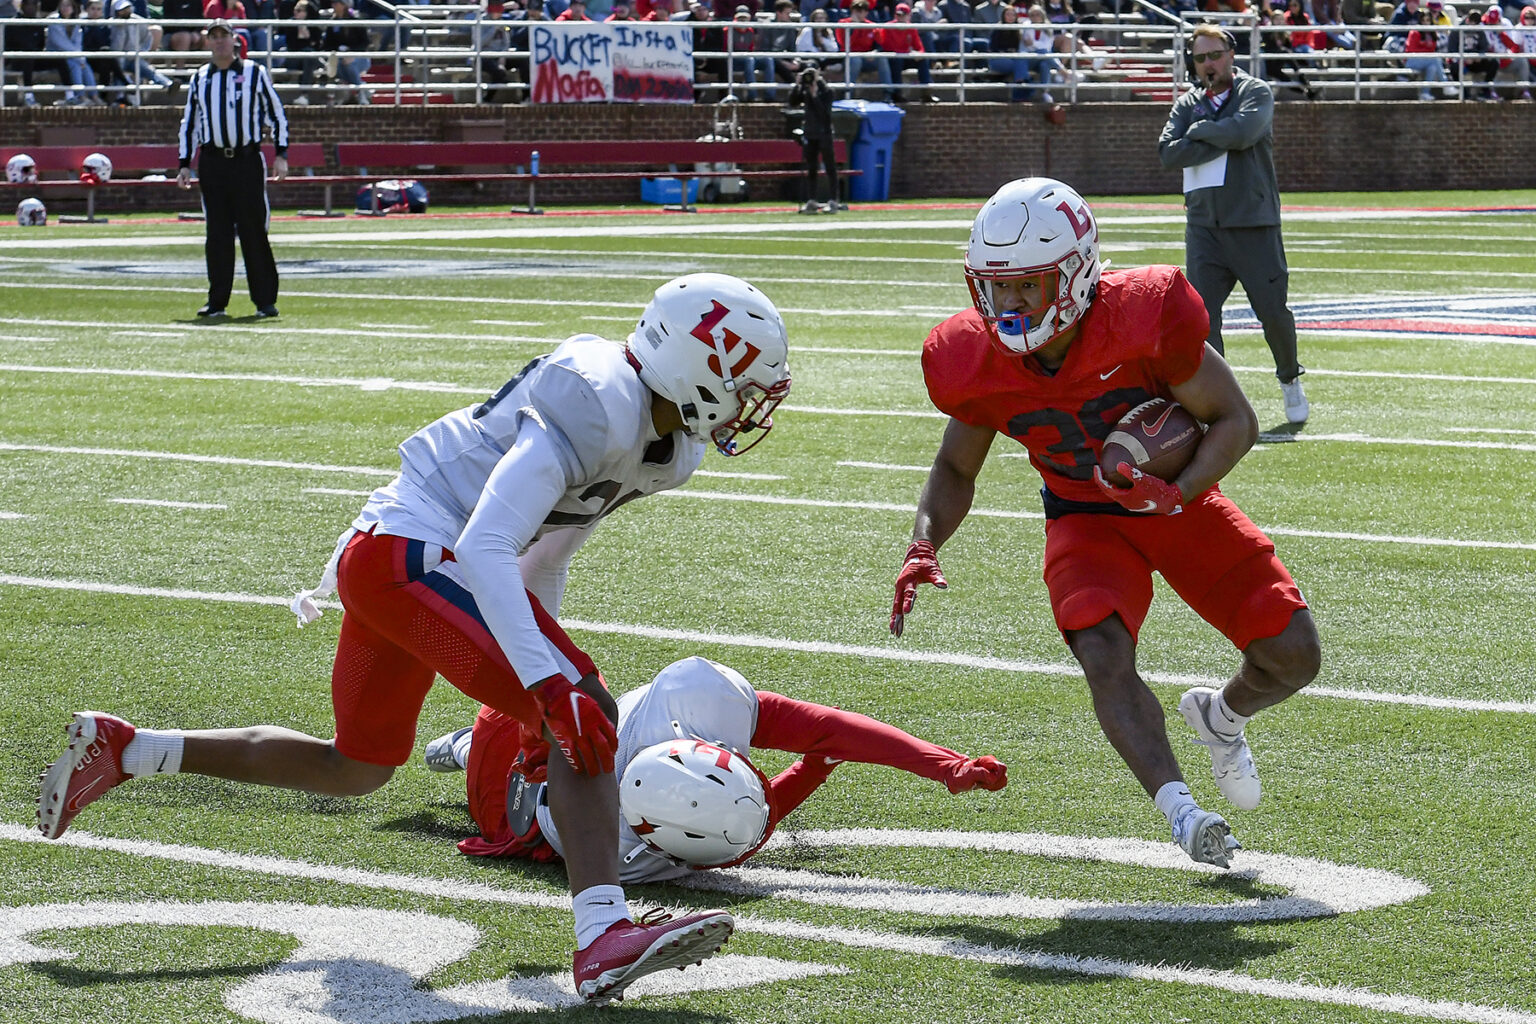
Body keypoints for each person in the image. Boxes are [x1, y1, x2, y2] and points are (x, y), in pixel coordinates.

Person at [38, 271, 792, 1004]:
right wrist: (549, 688)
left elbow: (547, 550)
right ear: (698, 364)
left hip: (400, 559)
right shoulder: (597, 397)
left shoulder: (667, 447)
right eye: (747, 385)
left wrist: (536, 688)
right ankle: (602, 938)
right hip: (412, 554)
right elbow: (489, 542)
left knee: (357, 766)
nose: (750, 407)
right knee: (585, 706)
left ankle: (130, 749)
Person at [888, 177, 1320, 870]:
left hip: (1176, 502)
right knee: (1104, 654)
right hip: (1082, 519)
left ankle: (1223, 715)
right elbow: (955, 468)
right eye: (998, 286)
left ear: (1078, 271)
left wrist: (1176, 491)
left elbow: (1233, 419)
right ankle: (1182, 813)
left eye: (1030, 284)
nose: (1011, 302)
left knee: (1296, 654)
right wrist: (924, 540)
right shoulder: (974, 356)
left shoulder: (1143, 316)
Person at [424, 657, 1008, 880]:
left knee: (541, 696)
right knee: (532, 699)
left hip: (531, 799)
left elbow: (746, 821)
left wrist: (945, 767)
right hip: (537, 785)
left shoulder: (628, 852)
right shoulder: (637, 847)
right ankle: (468, 746)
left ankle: (469, 747)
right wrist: (815, 765)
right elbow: (816, 747)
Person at [1158, 23, 1309, 425]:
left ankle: (1290, 377)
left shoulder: (1254, 92)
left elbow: (1244, 132)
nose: (1209, 64)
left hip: (1253, 224)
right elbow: (1168, 152)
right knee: (1202, 320)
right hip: (1205, 227)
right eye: (1201, 57)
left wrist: (1202, 132)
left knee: (1273, 312)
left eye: (1215, 54)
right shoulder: (1187, 102)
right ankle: (1216, 403)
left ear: (1231, 54)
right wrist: (1209, 133)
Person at [174, 18, 288, 319]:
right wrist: (185, 163)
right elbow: (189, 123)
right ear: (208, 42)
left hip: (246, 160)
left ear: (234, 40)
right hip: (213, 162)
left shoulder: (254, 73)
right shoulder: (200, 78)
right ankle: (217, 301)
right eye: (214, 37)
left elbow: (276, 114)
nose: (220, 42)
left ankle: (265, 300)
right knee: (218, 233)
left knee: (253, 231)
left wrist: (281, 153)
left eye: (224, 36)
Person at [788, 63, 840, 210]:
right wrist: (797, 86)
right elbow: (792, 102)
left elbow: (825, 114)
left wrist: (815, 94)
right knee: (811, 167)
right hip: (810, 132)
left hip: (824, 133)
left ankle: (833, 199)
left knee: (830, 166)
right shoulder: (804, 89)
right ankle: (812, 199)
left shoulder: (827, 91)